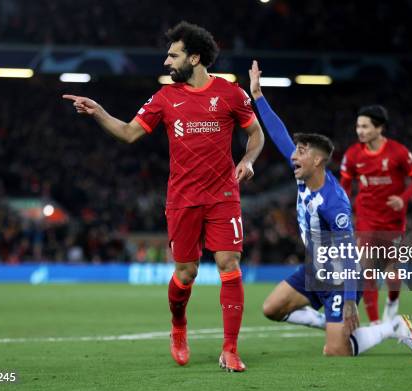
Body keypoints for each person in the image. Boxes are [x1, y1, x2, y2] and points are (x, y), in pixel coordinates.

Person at [63, 21, 265, 372]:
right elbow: (127, 133)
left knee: (228, 265)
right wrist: (98, 112)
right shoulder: (165, 98)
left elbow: (256, 134)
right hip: (182, 198)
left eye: (173, 55)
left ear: (195, 57)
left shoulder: (231, 94)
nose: (166, 62)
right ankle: (178, 325)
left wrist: (247, 160)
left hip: (223, 195)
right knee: (186, 274)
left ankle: (230, 349)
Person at [249, 61, 412, 357]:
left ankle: (391, 327)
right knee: (272, 309)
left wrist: (349, 300)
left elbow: (347, 255)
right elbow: (279, 135)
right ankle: (332, 324)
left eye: (302, 152)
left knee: (335, 352)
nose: (294, 157)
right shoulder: (304, 175)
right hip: (315, 268)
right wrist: (258, 96)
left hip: (339, 277)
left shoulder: (335, 203)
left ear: (317, 161)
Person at [339, 106, 412, 324]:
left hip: (393, 221)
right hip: (366, 218)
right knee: (367, 269)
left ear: (379, 128)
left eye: (365, 126)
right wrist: (342, 209)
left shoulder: (399, 152)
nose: (360, 131)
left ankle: (392, 303)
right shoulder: (353, 154)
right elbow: (345, 187)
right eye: (358, 126)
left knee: (392, 272)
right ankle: (376, 323)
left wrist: (402, 199)